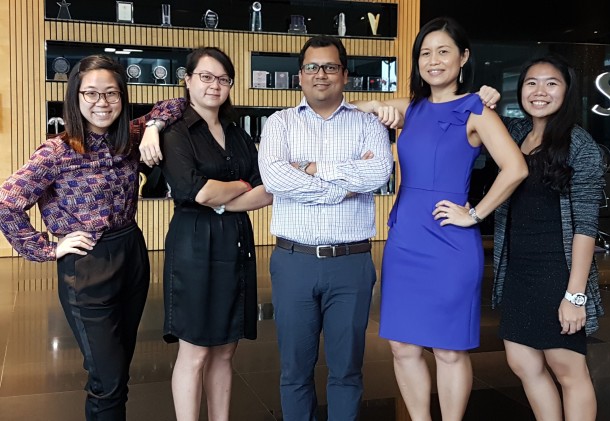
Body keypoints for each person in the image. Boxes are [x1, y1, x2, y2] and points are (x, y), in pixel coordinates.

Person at [352, 16, 528, 420]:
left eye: (443, 51)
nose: (433, 61)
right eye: (425, 53)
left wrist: (475, 213)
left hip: (450, 242)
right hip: (405, 238)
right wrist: (378, 106)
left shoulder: (476, 109)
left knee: (448, 349)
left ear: (463, 57)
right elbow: (349, 111)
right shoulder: (410, 108)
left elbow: (516, 167)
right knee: (402, 345)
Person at [0, 54, 181, 421]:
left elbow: (178, 103)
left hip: (131, 253)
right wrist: (48, 248)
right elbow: (6, 204)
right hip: (87, 264)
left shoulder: (129, 137)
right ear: (76, 97)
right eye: (91, 93)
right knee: (107, 379)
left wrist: (154, 126)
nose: (102, 103)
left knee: (120, 370)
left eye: (112, 93)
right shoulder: (57, 151)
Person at [257, 36, 394, 420]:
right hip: (294, 262)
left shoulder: (367, 124)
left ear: (344, 75)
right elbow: (275, 178)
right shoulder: (279, 123)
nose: (321, 74)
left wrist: (311, 169)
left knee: (347, 370)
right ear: (300, 76)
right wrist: (343, 188)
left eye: (330, 67)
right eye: (312, 67)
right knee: (294, 371)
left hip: (351, 263)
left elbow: (378, 173)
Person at [158, 46, 272, 421]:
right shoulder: (175, 132)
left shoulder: (237, 133)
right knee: (195, 351)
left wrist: (223, 198)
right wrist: (239, 186)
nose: (214, 85)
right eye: (206, 77)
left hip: (235, 243)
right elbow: (197, 191)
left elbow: (266, 190)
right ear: (187, 80)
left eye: (223, 79)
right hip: (194, 246)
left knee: (225, 349)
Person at [491, 54, 605, 421]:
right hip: (518, 269)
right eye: (531, 83)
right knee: (522, 361)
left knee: (567, 368)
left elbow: (586, 226)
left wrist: (575, 295)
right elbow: (467, 119)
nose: (540, 91)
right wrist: (482, 98)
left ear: (567, 91)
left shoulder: (579, 144)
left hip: (558, 271)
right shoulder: (515, 133)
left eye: (551, 83)